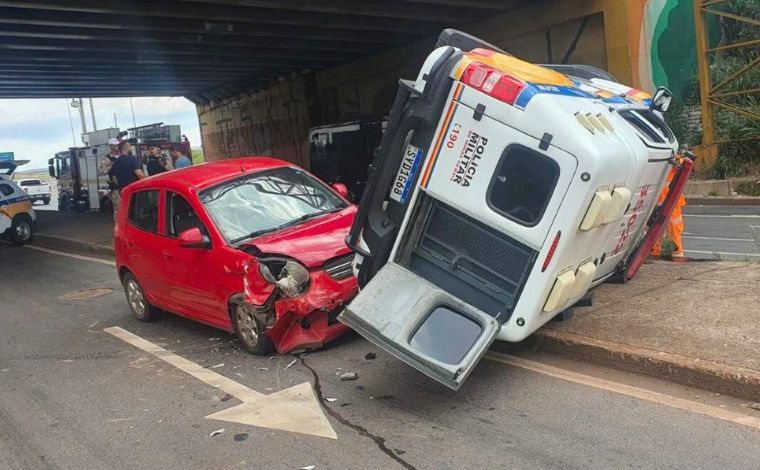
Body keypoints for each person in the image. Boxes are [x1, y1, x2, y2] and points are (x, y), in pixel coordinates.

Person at [651, 151, 687, 259]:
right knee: (656, 229)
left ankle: (675, 253)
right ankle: (657, 252)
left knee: (672, 229)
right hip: (660, 202)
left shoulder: (674, 160)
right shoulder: (658, 160)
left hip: (670, 203)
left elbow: (682, 166)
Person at [110, 141, 146, 220]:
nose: (131, 148)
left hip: (122, 191)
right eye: (130, 147)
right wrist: (148, 182)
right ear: (126, 148)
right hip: (134, 191)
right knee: (136, 213)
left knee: (127, 211)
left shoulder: (116, 162)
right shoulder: (131, 159)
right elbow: (139, 174)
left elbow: (114, 179)